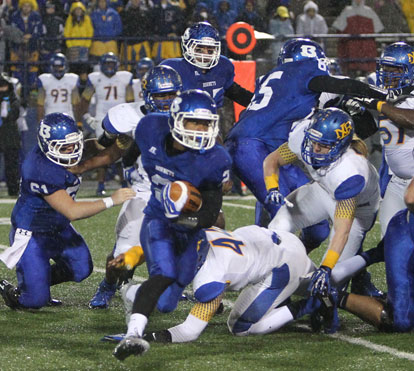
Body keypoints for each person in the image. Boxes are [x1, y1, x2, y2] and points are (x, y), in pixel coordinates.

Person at [224, 38, 386, 253]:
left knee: (317, 227)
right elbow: (345, 86)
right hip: (258, 147)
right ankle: (263, 270)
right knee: (282, 219)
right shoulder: (307, 73)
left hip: (267, 147)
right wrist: (382, 95)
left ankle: (293, 267)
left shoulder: (271, 79)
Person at [112, 89, 232, 360]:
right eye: (194, 122)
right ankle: (134, 334)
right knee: (163, 273)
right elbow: (133, 152)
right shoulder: (150, 127)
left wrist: (184, 218)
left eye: (206, 123)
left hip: (190, 228)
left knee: (166, 304)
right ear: (176, 119)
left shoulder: (216, 158)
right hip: (157, 219)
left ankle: (130, 292)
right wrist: (130, 165)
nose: (202, 130)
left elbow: (211, 213)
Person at [0, 113, 135, 310]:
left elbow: (98, 150)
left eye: (74, 144)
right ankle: (18, 292)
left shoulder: (64, 148)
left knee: (81, 269)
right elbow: (72, 211)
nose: (71, 150)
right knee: (34, 301)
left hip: (58, 225)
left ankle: (37, 282)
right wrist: (111, 200)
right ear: (47, 145)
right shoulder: (39, 168)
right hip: (33, 233)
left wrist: (118, 142)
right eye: (64, 147)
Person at [74, 65, 182, 309]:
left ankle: (180, 283)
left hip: (181, 191)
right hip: (143, 192)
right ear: (146, 95)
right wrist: (82, 164)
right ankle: (109, 285)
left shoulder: (189, 115)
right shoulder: (128, 117)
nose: (167, 101)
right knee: (121, 259)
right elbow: (107, 150)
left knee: (212, 226)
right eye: (160, 95)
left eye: (171, 94)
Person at [264, 108, 379, 312]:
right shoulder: (304, 139)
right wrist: (272, 186)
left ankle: (321, 307)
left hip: (357, 209)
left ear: (341, 145)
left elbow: (343, 228)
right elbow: (271, 161)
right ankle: (278, 283)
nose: (315, 149)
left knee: (332, 279)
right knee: (277, 228)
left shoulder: (350, 171)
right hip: (323, 190)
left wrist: (326, 267)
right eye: (313, 141)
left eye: (323, 145)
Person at [345, 42, 414, 237]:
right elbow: (364, 129)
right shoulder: (382, 94)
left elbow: (410, 119)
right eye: (386, 68)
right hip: (397, 181)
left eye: (396, 69)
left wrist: (378, 104)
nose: (389, 74)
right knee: (390, 241)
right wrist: (353, 112)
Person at [160, 22, 253, 109]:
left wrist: (259, 102)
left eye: (210, 50)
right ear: (187, 47)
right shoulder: (173, 69)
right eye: (199, 50)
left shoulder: (223, 66)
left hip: (210, 122)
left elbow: (236, 93)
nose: (205, 54)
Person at [78, 52, 134, 195]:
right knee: (104, 153)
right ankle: (101, 185)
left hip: (122, 119)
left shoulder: (125, 78)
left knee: (123, 152)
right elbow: (85, 99)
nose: (109, 66)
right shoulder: (95, 79)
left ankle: (124, 183)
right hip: (103, 120)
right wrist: (86, 116)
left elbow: (130, 100)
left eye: (111, 63)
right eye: (107, 64)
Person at [332, 0, 383, 77]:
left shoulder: (369, 11)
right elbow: (339, 29)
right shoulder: (347, 11)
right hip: (352, 47)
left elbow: (377, 29)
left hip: (365, 47)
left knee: (365, 71)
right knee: (351, 71)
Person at [37, 53, 81, 122]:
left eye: (60, 66)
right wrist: (40, 120)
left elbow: (76, 103)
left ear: (65, 66)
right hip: (50, 114)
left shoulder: (72, 79)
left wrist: (79, 122)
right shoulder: (44, 79)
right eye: (56, 66)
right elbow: (40, 104)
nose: (58, 69)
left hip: (67, 114)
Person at [0, 73, 21, 196]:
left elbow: (14, 114)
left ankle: (13, 189)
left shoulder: (13, 99)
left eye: (4, 86)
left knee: (11, 164)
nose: (2, 89)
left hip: (9, 135)